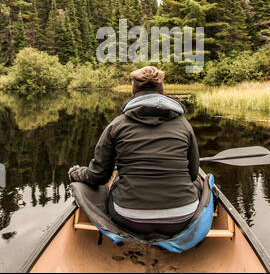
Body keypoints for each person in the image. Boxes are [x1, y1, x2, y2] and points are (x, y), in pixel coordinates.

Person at [68, 66, 201, 236]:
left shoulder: (116, 125)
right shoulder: (184, 125)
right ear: (162, 90)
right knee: (199, 184)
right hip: (182, 218)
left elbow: (98, 176)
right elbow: (192, 174)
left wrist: (76, 172)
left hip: (129, 219)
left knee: (113, 183)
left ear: (133, 89)